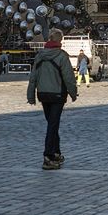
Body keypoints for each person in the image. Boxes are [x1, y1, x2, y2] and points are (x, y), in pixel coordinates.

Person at [27, 28, 78, 170]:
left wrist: (31, 95)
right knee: (53, 125)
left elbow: (33, 78)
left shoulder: (40, 55)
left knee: (52, 123)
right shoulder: (62, 56)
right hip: (57, 94)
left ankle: (56, 152)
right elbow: (69, 78)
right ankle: (48, 156)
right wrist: (73, 93)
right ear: (59, 40)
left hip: (43, 94)